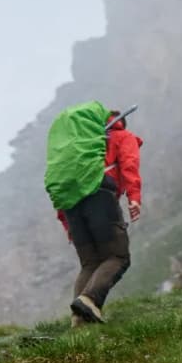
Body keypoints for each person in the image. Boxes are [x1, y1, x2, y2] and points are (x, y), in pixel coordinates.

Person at [59, 108, 143, 324]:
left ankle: (79, 321)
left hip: (71, 206)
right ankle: (89, 300)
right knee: (119, 257)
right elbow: (129, 165)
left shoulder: (79, 147)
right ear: (121, 122)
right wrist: (134, 197)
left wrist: (67, 224)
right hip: (101, 200)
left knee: (90, 263)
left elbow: (61, 185)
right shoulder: (123, 137)